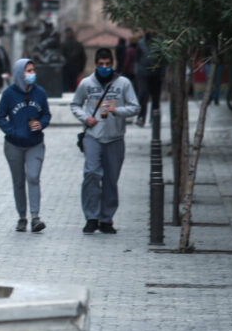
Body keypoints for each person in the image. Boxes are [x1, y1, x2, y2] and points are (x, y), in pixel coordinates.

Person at [71, 48, 140, 234]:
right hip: (93, 136)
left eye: (107, 64)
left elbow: (135, 107)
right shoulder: (86, 84)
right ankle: (91, 217)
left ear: (112, 64)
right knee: (91, 174)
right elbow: (75, 104)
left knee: (111, 179)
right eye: (101, 64)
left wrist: (117, 111)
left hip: (115, 138)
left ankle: (106, 219)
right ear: (95, 65)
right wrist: (85, 118)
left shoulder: (123, 83)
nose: (104, 67)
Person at [0, 58, 51, 233]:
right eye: (28, 71)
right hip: (14, 145)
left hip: (35, 143)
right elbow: (0, 116)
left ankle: (35, 217)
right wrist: (12, 131)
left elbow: (46, 114)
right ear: (20, 73)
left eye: (33, 70)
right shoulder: (9, 94)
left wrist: (41, 123)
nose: (31, 74)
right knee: (18, 181)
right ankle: (22, 217)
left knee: (33, 177)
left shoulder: (40, 93)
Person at [135, 31, 166, 127]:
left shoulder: (159, 43)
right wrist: (137, 72)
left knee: (155, 97)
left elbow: (163, 59)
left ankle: (154, 118)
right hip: (143, 74)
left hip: (156, 74)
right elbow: (137, 59)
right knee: (143, 95)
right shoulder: (140, 43)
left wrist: (162, 72)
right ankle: (141, 117)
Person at [61, 26, 86, 92]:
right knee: (75, 89)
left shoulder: (62, 45)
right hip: (75, 70)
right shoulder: (78, 45)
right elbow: (83, 59)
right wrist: (81, 70)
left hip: (65, 70)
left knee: (65, 89)